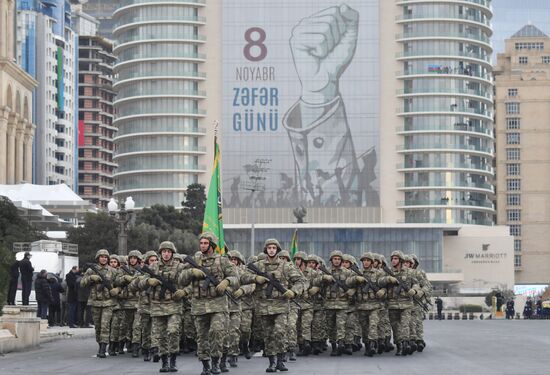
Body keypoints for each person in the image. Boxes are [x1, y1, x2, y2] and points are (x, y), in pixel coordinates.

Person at [180, 233, 238, 375]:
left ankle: (216, 363)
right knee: (202, 337)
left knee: (217, 333)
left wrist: (226, 282)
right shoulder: (194, 260)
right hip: (199, 305)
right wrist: (191, 272)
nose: (203, 245)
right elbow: (181, 280)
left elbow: (236, 277)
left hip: (218, 304)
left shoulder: (222, 261)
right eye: (202, 243)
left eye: (206, 243)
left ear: (212, 245)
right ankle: (205, 365)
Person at [247, 238, 305, 372]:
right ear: (266, 250)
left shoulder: (286, 266)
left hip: (281, 306)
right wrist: (255, 278)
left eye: (274, 247)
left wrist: (293, 291)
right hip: (264, 306)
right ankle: (272, 362)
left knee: (280, 332)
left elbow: (301, 281)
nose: (271, 250)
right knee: (268, 335)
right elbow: (242, 276)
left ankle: (280, 360)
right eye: (269, 248)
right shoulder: (259, 265)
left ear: (277, 250)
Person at [140, 241, 198, 373]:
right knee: (160, 336)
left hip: (174, 305)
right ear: (160, 253)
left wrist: (184, 292)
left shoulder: (180, 267)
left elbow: (191, 283)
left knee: (172, 332)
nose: (166, 254)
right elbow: (139, 282)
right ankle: (164, 361)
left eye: (169, 251)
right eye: (164, 251)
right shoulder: (153, 267)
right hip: (157, 306)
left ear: (172, 253)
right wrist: (148, 281)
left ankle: (173, 359)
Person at [80, 249, 119, 358]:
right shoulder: (91, 270)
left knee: (105, 325)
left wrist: (117, 290)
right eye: (101, 256)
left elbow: (119, 283)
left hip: (108, 302)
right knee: (98, 326)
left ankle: (103, 348)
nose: (103, 258)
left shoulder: (113, 271)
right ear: (98, 258)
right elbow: (82, 283)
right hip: (95, 302)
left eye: (105, 257)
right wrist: (90, 278)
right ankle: (100, 344)